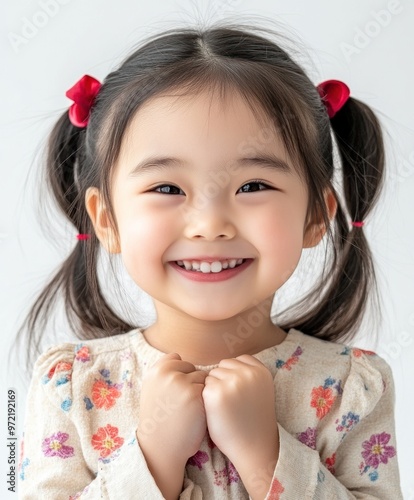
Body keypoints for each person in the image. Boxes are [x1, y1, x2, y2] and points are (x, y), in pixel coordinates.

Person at [17, 21, 402, 499]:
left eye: (253, 186)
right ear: (107, 220)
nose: (209, 224)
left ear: (315, 216)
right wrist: (154, 457)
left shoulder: (352, 388)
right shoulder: (70, 387)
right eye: (167, 189)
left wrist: (265, 456)